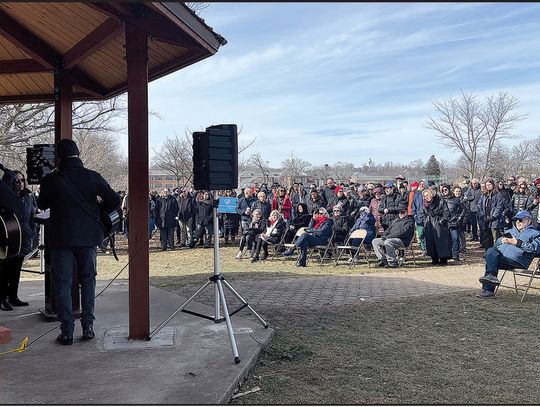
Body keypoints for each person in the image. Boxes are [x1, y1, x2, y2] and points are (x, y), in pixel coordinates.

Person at [37, 138, 120, 345]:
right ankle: (88, 327)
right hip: (88, 239)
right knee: (88, 281)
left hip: (60, 240)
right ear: (78, 154)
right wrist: (97, 204)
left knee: (63, 284)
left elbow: (42, 204)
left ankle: (66, 331)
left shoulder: (51, 180)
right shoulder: (92, 177)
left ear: (58, 159)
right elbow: (115, 200)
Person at [477, 210, 540, 298]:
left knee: (491, 257)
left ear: (528, 221)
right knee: (491, 252)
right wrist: (500, 241)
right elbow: (496, 246)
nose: (518, 222)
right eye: (516, 220)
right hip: (503, 258)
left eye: (520, 220)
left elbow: (535, 249)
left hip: (518, 260)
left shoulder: (535, 234)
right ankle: (490, 282)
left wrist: (517, 243)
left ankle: (489, 289)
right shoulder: (510, 231)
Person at [0, 170, 35, 311]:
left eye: (22, 180)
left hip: (24, 236)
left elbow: (31, 215)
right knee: (5, 270)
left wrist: (32, 230)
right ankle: (3, 298)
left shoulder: (28, 197)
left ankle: (13, 297)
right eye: (16, 181)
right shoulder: (6, 197)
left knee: (16, 269)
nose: (20, 183)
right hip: (9, 235)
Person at [421, 188, 451, 266]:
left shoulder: (440, 201)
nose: (426, 197)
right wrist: (425, 221)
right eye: (424, 196)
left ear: (431, 194)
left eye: (427, 195)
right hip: (429, 224)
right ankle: (434, 259)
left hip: (439, 224)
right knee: (430, 242)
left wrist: (441, 222)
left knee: (441, 242)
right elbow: (422, 213)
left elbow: (446, 213)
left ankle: (443, 259)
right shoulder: (425, 204)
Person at [442, 184, 468, 261]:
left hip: (454, 222)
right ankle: (446, 255)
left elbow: (464, 209)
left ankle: (455, 255)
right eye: (443, 190)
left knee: (455, 238)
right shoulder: (441, 199)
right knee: (446, 240)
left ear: (449, 190)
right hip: (444, 222)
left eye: (446, 190)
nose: (444, 191)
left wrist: (459, 217)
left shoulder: (455, 199)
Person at [478, 179, 505, 250]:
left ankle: (498, 253)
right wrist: (482, 215)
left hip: (494, 219)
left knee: (496, 237)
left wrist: (493, 216)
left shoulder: (498, 194)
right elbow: (479, 205)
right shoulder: (484, 195)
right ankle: (488, 252)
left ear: (493, 185)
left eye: (489, 185)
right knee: (487, 237)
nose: (488, 186)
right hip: (485, 218)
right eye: (486, 185)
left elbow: (499, 207)